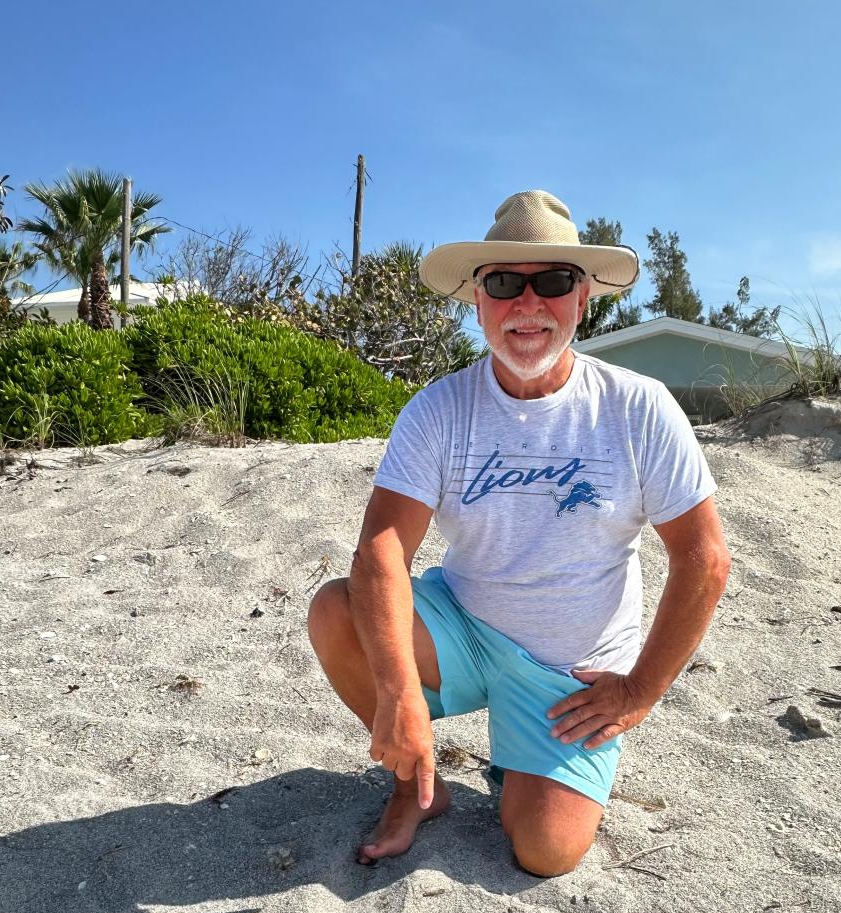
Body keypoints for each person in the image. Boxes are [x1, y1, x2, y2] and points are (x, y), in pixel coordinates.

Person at [307, 190, 731, 877]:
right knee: (335, 611)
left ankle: (524, 762)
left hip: (569, 672)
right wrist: (399, 691)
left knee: (545, 850)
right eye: (505, 283)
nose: (528, 304)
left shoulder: (637, 406)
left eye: (554, 281)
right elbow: (382, 549)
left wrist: (640, 690)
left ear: (584, 297)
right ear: (478, 300)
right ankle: (417, 785)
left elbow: (705, 560)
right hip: (466, 631)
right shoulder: (439, 408)